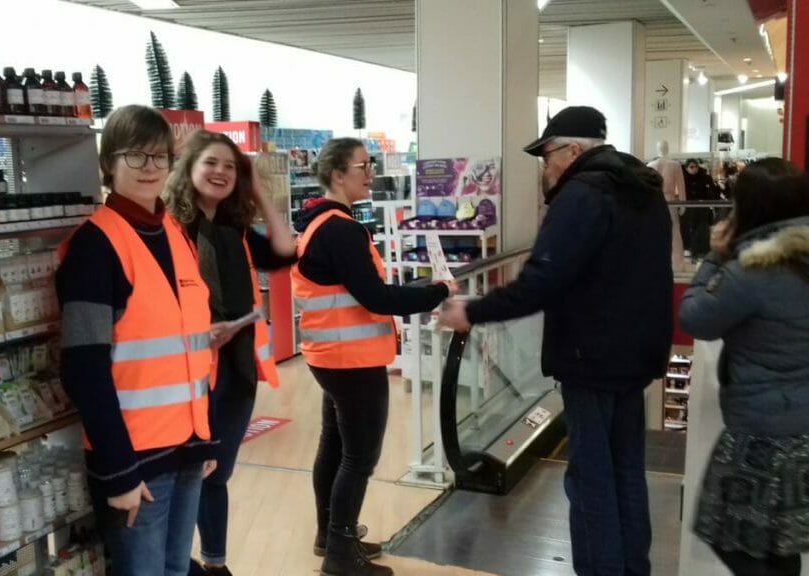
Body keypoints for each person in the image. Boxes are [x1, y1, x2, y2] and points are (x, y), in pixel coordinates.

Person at [438, 106, 674, 576]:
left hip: (590, 359)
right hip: (638, 356)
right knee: (627, 471)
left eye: (547, 157)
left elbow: (542, 280)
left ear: (573, 150)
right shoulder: (643, 191)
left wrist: (472, 311)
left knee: (590, 481)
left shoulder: (581, 196)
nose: (545, 169)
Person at [56, 105, 217, 576]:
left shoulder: (175, 234)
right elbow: (83, 368)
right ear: (108, 165)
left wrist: (204, 441)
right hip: (136, 462)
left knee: (175, 570)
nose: (150, 169)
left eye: (160, 158)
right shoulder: (94, 246)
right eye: (135, 157)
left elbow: (191, 349)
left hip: (186, 448)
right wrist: (119, 469)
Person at [292, 137, 457, 576]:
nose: (371, 174)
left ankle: (330, 535)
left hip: (330, 356)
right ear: (336, 174)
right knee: (359, 457)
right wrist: (437, 291)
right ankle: (341, 557)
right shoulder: (340, 229)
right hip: (351, 359)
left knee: (335, 446)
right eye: (363, 166)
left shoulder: (317, 224)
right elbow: (375, 298)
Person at [163, 130, 296, 576]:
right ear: (189, 169)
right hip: (191, 374)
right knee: (190, 473)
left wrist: (257, 189)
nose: (221, 172)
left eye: (230, 166)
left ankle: (216, 563)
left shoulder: (233, 228)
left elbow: (284, 250)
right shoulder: (170, 228)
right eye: (211, 163)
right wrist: (198, 332)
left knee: (216, 474)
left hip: (236, 372)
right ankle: (179, 564)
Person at [678, 158, 809, 576]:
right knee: (779, 540)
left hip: (760, 432)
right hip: (802, 424)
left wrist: (715, 258)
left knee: (731, 539)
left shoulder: (752, 268)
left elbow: (695, 318)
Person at [647, 140, 686, 268]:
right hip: (669, 201)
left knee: (657, 230)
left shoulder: (651, 165)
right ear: (667, 148)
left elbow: (648, 187)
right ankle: (677, 263)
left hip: (656, 200)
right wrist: (683, 203)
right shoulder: (675, 165)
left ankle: (657, 260)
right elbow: (681, 187)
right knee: (674, 230)